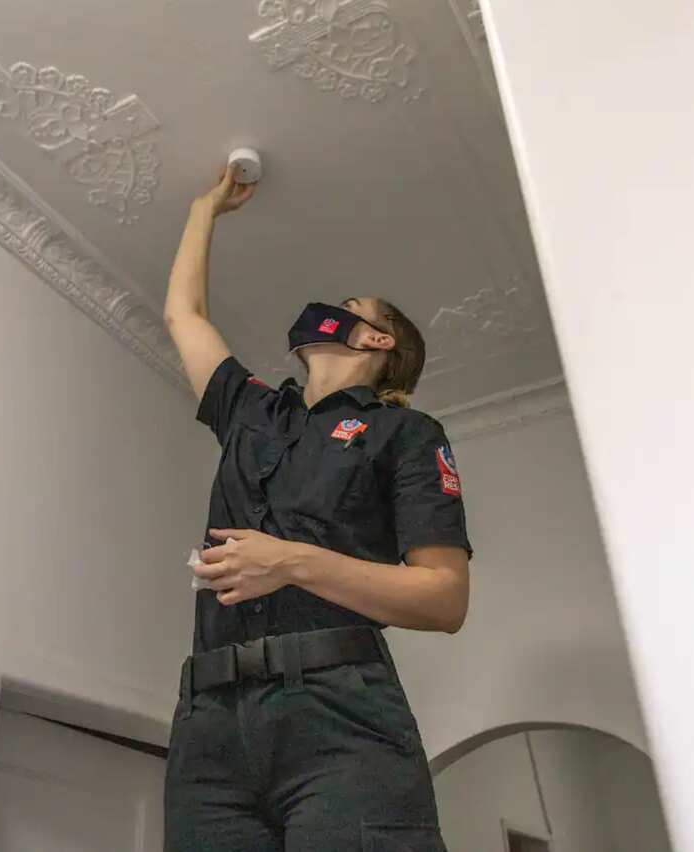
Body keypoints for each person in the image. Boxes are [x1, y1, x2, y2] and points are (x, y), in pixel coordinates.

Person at [162, 164, 473, 851]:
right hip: (209, 719)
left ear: (375, 339)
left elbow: (444, 599)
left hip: (340, 713)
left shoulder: (408, 434)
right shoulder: (251, 411)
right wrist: (203, 210)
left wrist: (293, 563)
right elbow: (185, 316)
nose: (328, 307)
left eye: (350, 304)